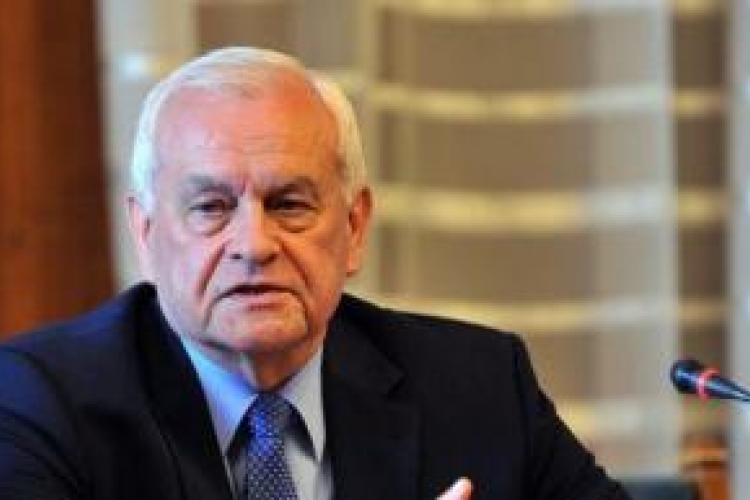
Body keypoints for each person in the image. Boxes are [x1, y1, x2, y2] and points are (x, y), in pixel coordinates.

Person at [0, 47, 630, 500]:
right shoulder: (40, 403)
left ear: (354, 227)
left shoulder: (479, 388)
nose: (254, 245)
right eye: (211, 208)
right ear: (146, 234)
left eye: (289, 204)